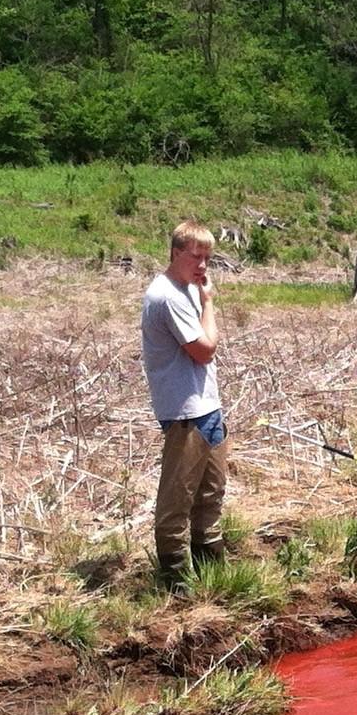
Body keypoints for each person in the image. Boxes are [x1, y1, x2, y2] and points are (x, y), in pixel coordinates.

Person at [140, 220, 227, 580]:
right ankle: (177, 586)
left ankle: (213, 578)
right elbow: (205, 350)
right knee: (177, 500)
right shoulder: (167, 296)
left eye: (208, 258)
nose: (203, 266)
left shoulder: (188, 287)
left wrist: (202, 298)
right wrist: (209, 305)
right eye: (196, 257)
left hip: (208, 407)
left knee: (211, 495)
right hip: (185, 412)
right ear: (176, 253)